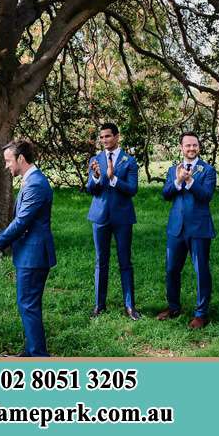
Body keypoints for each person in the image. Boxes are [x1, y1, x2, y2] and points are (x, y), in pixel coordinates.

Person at [0, 140, 56, 357]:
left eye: (8, 161)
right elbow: (24, 221)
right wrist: (0, 236)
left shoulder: (35, 184)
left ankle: (38, 357)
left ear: (21, 159)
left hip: (34, 255)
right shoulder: (30, 181)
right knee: (28, 306)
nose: (6, 166)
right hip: (29, 252)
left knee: (28, 306)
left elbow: (22, 222)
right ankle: (31, 352)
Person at [158, 132, 216, 329]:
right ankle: (173, 307)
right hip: (176, 228)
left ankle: (201, 313)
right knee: (171, 269)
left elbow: (206, 196)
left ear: (199, 147)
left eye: (195, 145)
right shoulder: (174, 169)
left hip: (199, 228)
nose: (191, 149)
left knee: (201, 270)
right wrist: (177, 181)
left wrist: (190, 181)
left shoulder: (208, 170)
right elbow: (165, 194)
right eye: (187, 146)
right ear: (181, 148)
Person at [85, 123, 140, 320]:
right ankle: (99, 305)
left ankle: (130, 307)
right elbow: (91, 189)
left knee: (125, 262)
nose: (104, 140)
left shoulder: (129, 161)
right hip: (99, 217)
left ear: (117, 136)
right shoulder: (95, 160)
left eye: (108, 136)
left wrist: (113, 178)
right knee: (101, 261)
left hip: (122, 218)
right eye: (102, 137)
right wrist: (98, 177)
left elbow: (133, 189)